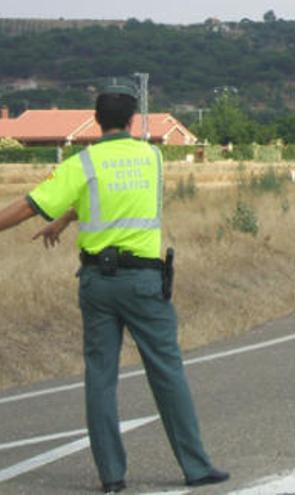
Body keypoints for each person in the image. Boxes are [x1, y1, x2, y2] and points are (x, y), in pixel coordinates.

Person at [0, 84, 229, 492]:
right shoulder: (153, 157)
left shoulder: (81, 163)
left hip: (97, 284)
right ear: (133, 121)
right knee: (166, 371)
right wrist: (67, 218)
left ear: (97, 120)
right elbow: (121, 194)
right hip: (143, 281)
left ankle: (112, 477)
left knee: (100, 376)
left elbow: (29, 206)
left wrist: (63, 219)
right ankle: (195, 467)